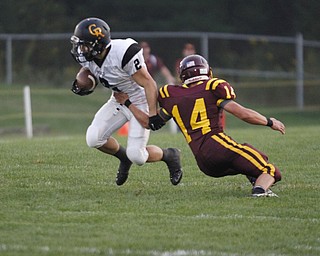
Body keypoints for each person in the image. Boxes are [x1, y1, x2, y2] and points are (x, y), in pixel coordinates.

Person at [114, 54, 286, 197]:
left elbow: (151, 123)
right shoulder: (213, 86)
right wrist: (270, 122)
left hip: (203, 162)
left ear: (183, 75)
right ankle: (260, 190)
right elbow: (243, 113)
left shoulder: (172, 94)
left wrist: (128, 103)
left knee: (256, 157)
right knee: (270, 170)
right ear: (207, 71)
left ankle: (255, 179)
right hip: (218, 146)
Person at [70, 17, 183, 186]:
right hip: (118, 99)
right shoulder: (87, 56)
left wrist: (152, 113)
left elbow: (148, 83)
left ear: (98, 45)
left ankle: (170, 155)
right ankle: (123, 158)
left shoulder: (123, 53)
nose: (80, 49)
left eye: (85, 44)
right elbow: (90, 69)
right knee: (93, 138)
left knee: (137, 156)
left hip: (138, 100)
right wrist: (85, 81)